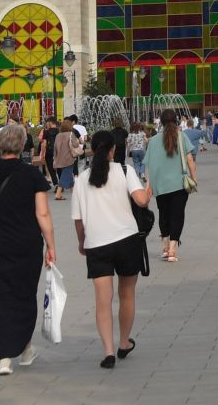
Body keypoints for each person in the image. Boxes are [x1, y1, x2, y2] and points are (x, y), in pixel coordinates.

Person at [0, 123, 55, 376]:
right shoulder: (32, 175)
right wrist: (51, 245)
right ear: (22, 145)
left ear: (0, 145)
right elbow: (43, 213)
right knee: (23, 296)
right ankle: (26, 348)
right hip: (26, 244)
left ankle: (4, 358)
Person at [72, 129, 148, 371]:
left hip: (97, 244)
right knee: (127, 294)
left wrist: (82, 242)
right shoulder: (125, 170)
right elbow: (141, 201)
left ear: (92, 150)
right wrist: (150, 188)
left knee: (102, 301)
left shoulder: (81, 180)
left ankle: (107, 351)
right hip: (127, 240)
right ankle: (124, 342)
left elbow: (78, 219)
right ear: (114, 149)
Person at [145, 108, 197, 263]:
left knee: (164, 214)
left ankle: (165, 247)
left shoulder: (153, 141)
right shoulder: (181, 137)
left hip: (160, 185)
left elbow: (150, 165)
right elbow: (189, 160)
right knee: (177, 215)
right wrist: (194, 178)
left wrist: (149, 185)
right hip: (179, 184)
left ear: (160, 122)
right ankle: (173, 250)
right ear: (176, 121)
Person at [52, 118, 79, 201]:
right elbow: (75, 144)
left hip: (60, 158)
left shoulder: (58, 135)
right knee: (65, 174)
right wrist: (78, 141)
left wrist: (55, 158)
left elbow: (55, 148)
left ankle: (74, 193)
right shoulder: (71, 134)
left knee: (69, 174)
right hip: (69, 158)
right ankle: (58, 194)